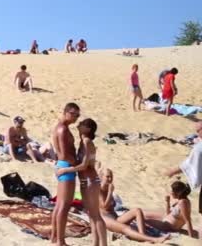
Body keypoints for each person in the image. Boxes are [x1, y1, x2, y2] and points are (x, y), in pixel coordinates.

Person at [56, 118, 107, 246]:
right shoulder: (82, 142)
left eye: (82, 124)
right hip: (85, 180)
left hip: (90, 180)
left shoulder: (87, 142)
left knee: (96, 215)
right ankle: (95, 243)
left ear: (88, 129)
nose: (78, 124)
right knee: (91, 214)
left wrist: (66, 169)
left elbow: (84, 165)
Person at [99, 169, 170, 243]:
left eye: (111, 177)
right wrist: (110, 192)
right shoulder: (99, 190)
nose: (110, 179)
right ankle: (151, 239)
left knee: (137, 210)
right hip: (106, 220)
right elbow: (104, 207)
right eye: (107, 177)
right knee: (127, 228)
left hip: (115, 218)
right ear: (101, 177)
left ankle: (143, 235)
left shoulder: (108, 188)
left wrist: (110, 192)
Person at [165, 121, 202, 238]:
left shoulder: (199, 148)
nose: (197, 133)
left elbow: (189, 164)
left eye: (198, 131)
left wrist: (172, 171)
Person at [51, 102, 80, 246]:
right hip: (66, 166)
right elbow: (63, 153)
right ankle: (60, 241)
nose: (76, 118)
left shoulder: (60, 127)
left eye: (78, 115)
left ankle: (54, 237)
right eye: (74, 114)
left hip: (62, 165)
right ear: (66, 112)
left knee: (59, 205)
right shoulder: (62, 129)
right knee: (64, 205)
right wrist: (77, 164)